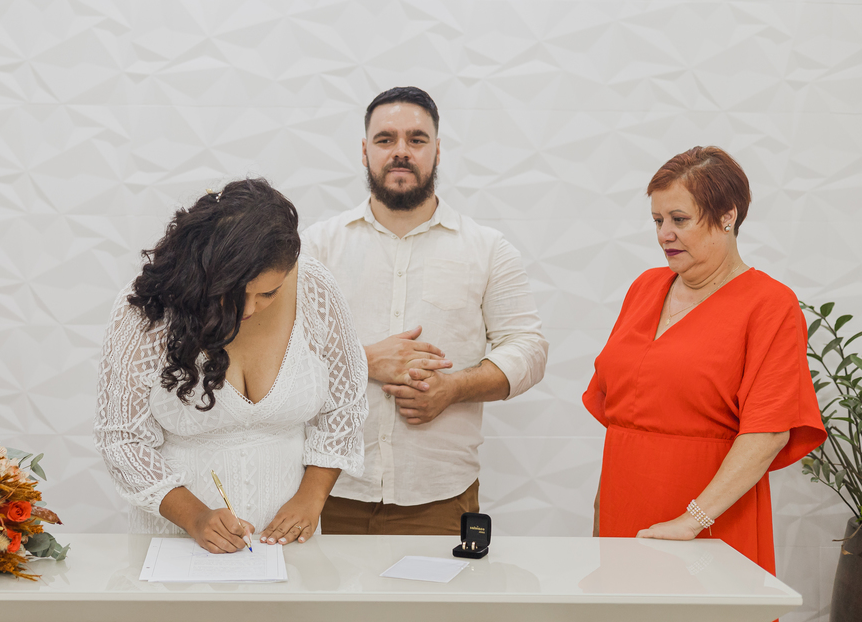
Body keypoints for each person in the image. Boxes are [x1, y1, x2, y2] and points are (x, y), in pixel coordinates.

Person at [302, 87, 548, 535]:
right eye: (385, 139)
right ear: (364, 151)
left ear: (438, 151)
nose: (401, 152)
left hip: (440, 496)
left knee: (438, 608)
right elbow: (277, 350)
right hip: (329, 492)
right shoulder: (317, 247)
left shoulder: (487, 250)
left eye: (417, 140)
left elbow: (529, 349)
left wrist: (453, 388)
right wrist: (363, 361)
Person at [584, 146, 826, 572]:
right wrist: (602, 519)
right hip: (625, 512)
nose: (663, 235)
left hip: (711, 525)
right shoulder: (644, 288)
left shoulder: (770, 305)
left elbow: (768, 433)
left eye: (679, 220)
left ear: (727, 216)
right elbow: (620, 421)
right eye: (658, 221)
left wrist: (691, 521)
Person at [94, 178, 368, 553]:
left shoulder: (315, 288)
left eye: (269, 293)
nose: (250, 310)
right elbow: (121, 438)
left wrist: (311, 498)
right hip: (175, 543)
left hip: (289, 544)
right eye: (234, 294)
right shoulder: (149, 309)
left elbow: (345, 405)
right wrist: (194, 516)